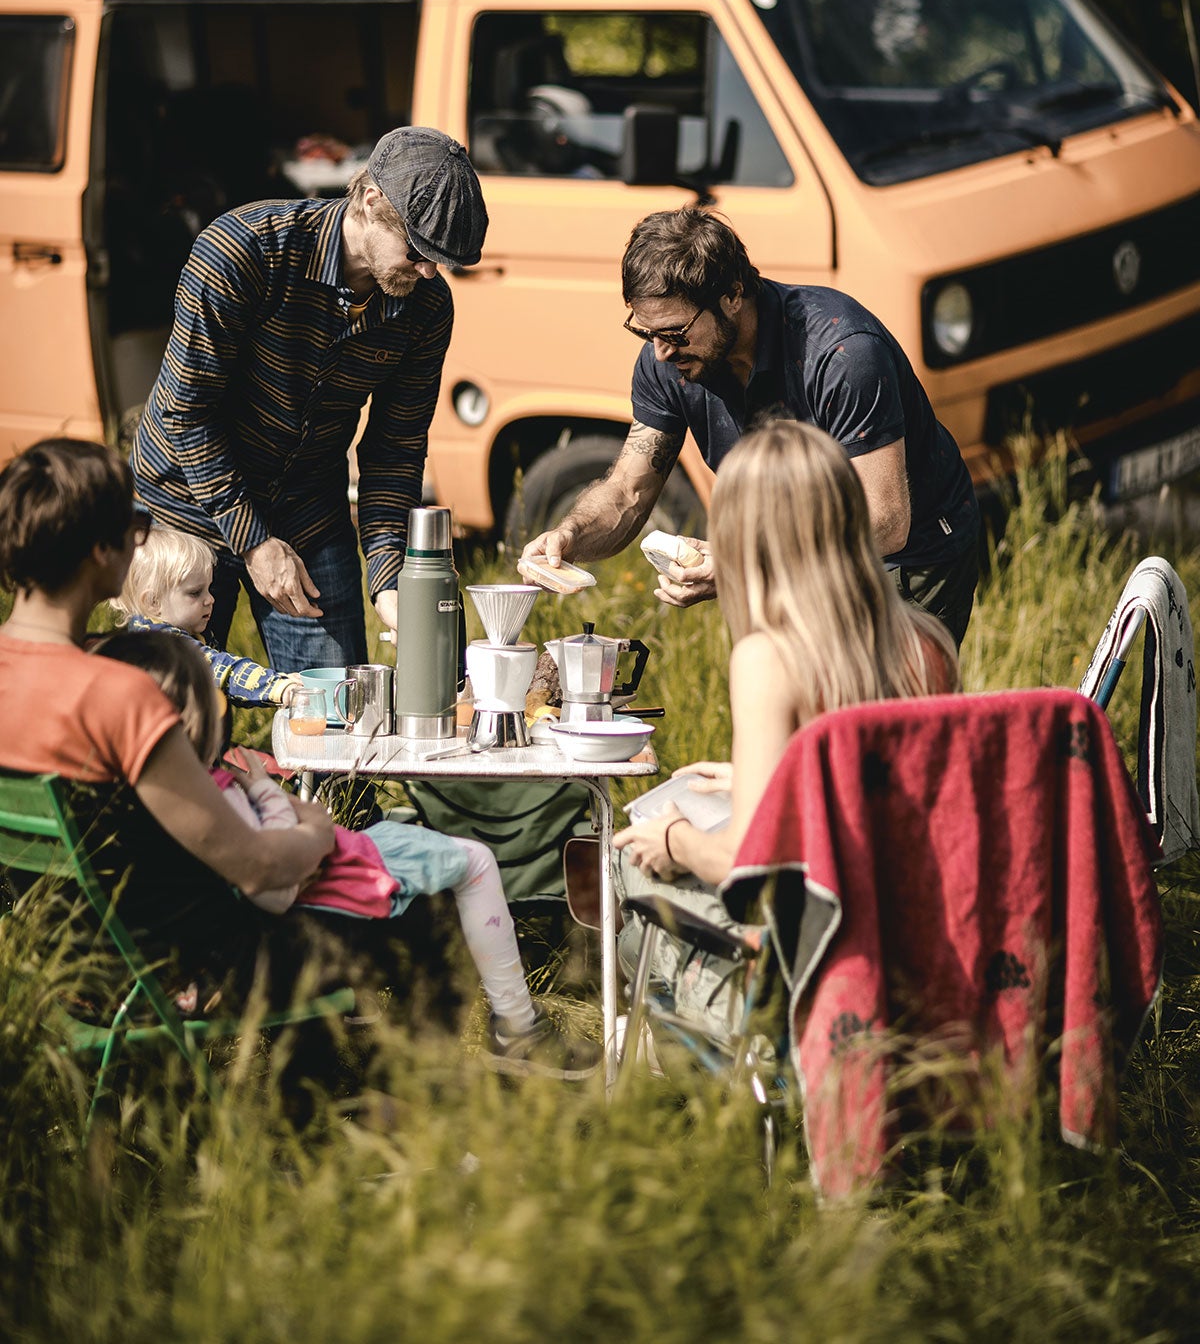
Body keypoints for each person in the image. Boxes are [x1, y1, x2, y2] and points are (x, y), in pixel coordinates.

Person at [94, 627, 600, 1082]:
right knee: (450, 894)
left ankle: (394, 1074)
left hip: (219, 943)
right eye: (213, 703)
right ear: (189, 720)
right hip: (274, 927)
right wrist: (308, 825)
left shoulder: (132, 800)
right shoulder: (212, 795)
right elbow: (275, 884)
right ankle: (464, 1059)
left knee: (445, 879)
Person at [611, 419, 960, 1030]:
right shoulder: (927, 641)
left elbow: (746, 863)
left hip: (813, 953)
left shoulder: (768, 659)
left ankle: (699, 1066)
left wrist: (674, 840)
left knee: (623, 867)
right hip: (910, 937)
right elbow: (877, 797)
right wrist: (768, 779)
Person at [524, 207, 980, 647]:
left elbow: (885, 522)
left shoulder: (841, 353)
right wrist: (571, 536)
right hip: (793, 554)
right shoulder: (669, 360)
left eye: (676, 333)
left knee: (876, 703)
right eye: (647, 333)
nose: (661, 351)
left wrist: (744, 562)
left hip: (905, 558)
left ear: (733, 295)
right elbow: (628, 491)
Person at [130, 126, 488, 674]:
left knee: (334, 705)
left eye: (442, 260)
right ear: (371, 201)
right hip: (188, 503)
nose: (428, 271)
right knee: (179, 702)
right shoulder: (243, 250)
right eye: (418, 250)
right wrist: (254, 543)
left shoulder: (427, 305)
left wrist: (389, 578)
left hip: (308, 505)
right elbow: (188, 411)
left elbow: (395, 447)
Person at [0, 437, 339, 1008]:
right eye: (135, 525)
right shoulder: (120, 692)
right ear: (100, 550)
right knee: (401, 900)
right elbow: (254, 866)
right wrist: (321, 833)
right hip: (162, 970)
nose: (140, 539)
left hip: (54, 969)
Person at [111, 523, 304, 707]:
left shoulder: (178, 631)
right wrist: (275, 686)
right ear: (153, 602)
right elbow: (218, 670)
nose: (210, 599)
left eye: (209, 589)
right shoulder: (159, 646)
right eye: (195, 593)